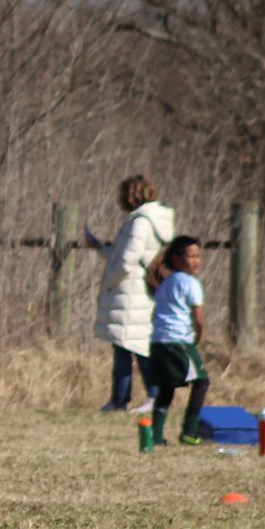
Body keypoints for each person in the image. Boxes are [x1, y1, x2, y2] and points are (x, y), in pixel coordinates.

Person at [87, 175, 176, 412]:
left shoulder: (140, 223)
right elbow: (120, 252)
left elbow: (126, 261)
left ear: (130, 196)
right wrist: (98, 247)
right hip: (136, 293)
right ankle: (123, 399)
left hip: (131, 292)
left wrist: (110, 281)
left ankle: (140, 398)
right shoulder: (147, 220)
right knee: (128, 346)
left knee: (134, 347)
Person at [146, 235, 210, 448]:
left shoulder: (166, 283)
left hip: (158, 341)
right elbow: (198, 319)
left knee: (167, 387)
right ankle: (190, 432)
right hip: (178, 342)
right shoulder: (190, 283)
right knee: (201, 382)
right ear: (175, 259)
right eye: (190, 256)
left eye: (198, 256)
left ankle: (154, 436)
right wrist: (198, 338)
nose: (195, 261)